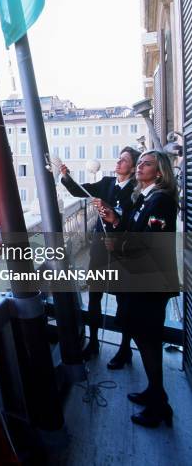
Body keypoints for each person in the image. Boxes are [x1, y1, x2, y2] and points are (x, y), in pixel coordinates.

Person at [98, 150, 179, 428]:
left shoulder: (161, 200)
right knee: (145, 339)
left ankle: (159, 405)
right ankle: (155, 393)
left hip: (150, 283)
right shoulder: (146, 198)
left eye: (146, 164)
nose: (140, 167)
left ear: (159, 172)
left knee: (149, 341)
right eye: (140, 163)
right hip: (142, 281)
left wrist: (118, 245)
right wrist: (116, 221)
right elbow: (135, 230)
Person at [59, 146, 140, 366]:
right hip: (99, 248)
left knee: (124, 300)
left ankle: (125, 349)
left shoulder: (137, 190)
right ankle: (93, 342)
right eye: (119, 159)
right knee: (94, 295)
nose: (118, 162)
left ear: (132, 168)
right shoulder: (105, 182)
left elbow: (133, 223)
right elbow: (79, 191)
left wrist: (114, 214)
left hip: (121, 251)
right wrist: (66, 176)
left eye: (123, 160)